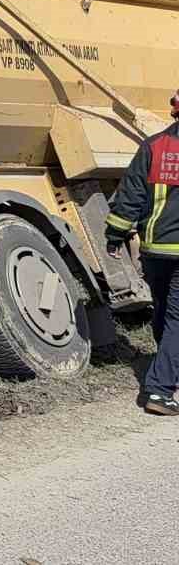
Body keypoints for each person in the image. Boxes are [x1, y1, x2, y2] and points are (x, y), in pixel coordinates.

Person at [104, 88, 179, 416]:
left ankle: (169, 370)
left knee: (164, 312)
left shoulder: (154, 147)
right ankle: (160, 390)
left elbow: (130, 196)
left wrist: (114, 235)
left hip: (154, 251)